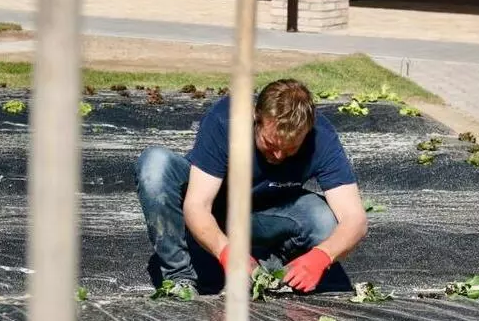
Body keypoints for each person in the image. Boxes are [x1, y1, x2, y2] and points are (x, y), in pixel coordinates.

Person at [134, 79, 368, 297]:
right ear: (256, 118)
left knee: (325, 222)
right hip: (216, 206)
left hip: (265, 214)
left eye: (289, 150)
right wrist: (226, 252)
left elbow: (355, 219)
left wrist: (321, 256)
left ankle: (270, 272)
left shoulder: (321, 138)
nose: (278, 155)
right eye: (270, 144)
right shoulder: (227, 121)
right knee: (155, 164)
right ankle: (180, 278)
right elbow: (197, 205)